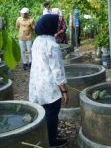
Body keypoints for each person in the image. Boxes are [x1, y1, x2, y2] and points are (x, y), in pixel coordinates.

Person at [29, 14, 69, 147]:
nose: (58, 25)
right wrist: (64, 90)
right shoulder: (53, 45)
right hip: (49, 86)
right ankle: (51, 141)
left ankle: (44, 136)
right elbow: (57, 71)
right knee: (52, 114)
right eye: (57, 23)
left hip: (37, 83)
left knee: (42, 112)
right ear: (50, 26)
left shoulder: (37, 41)